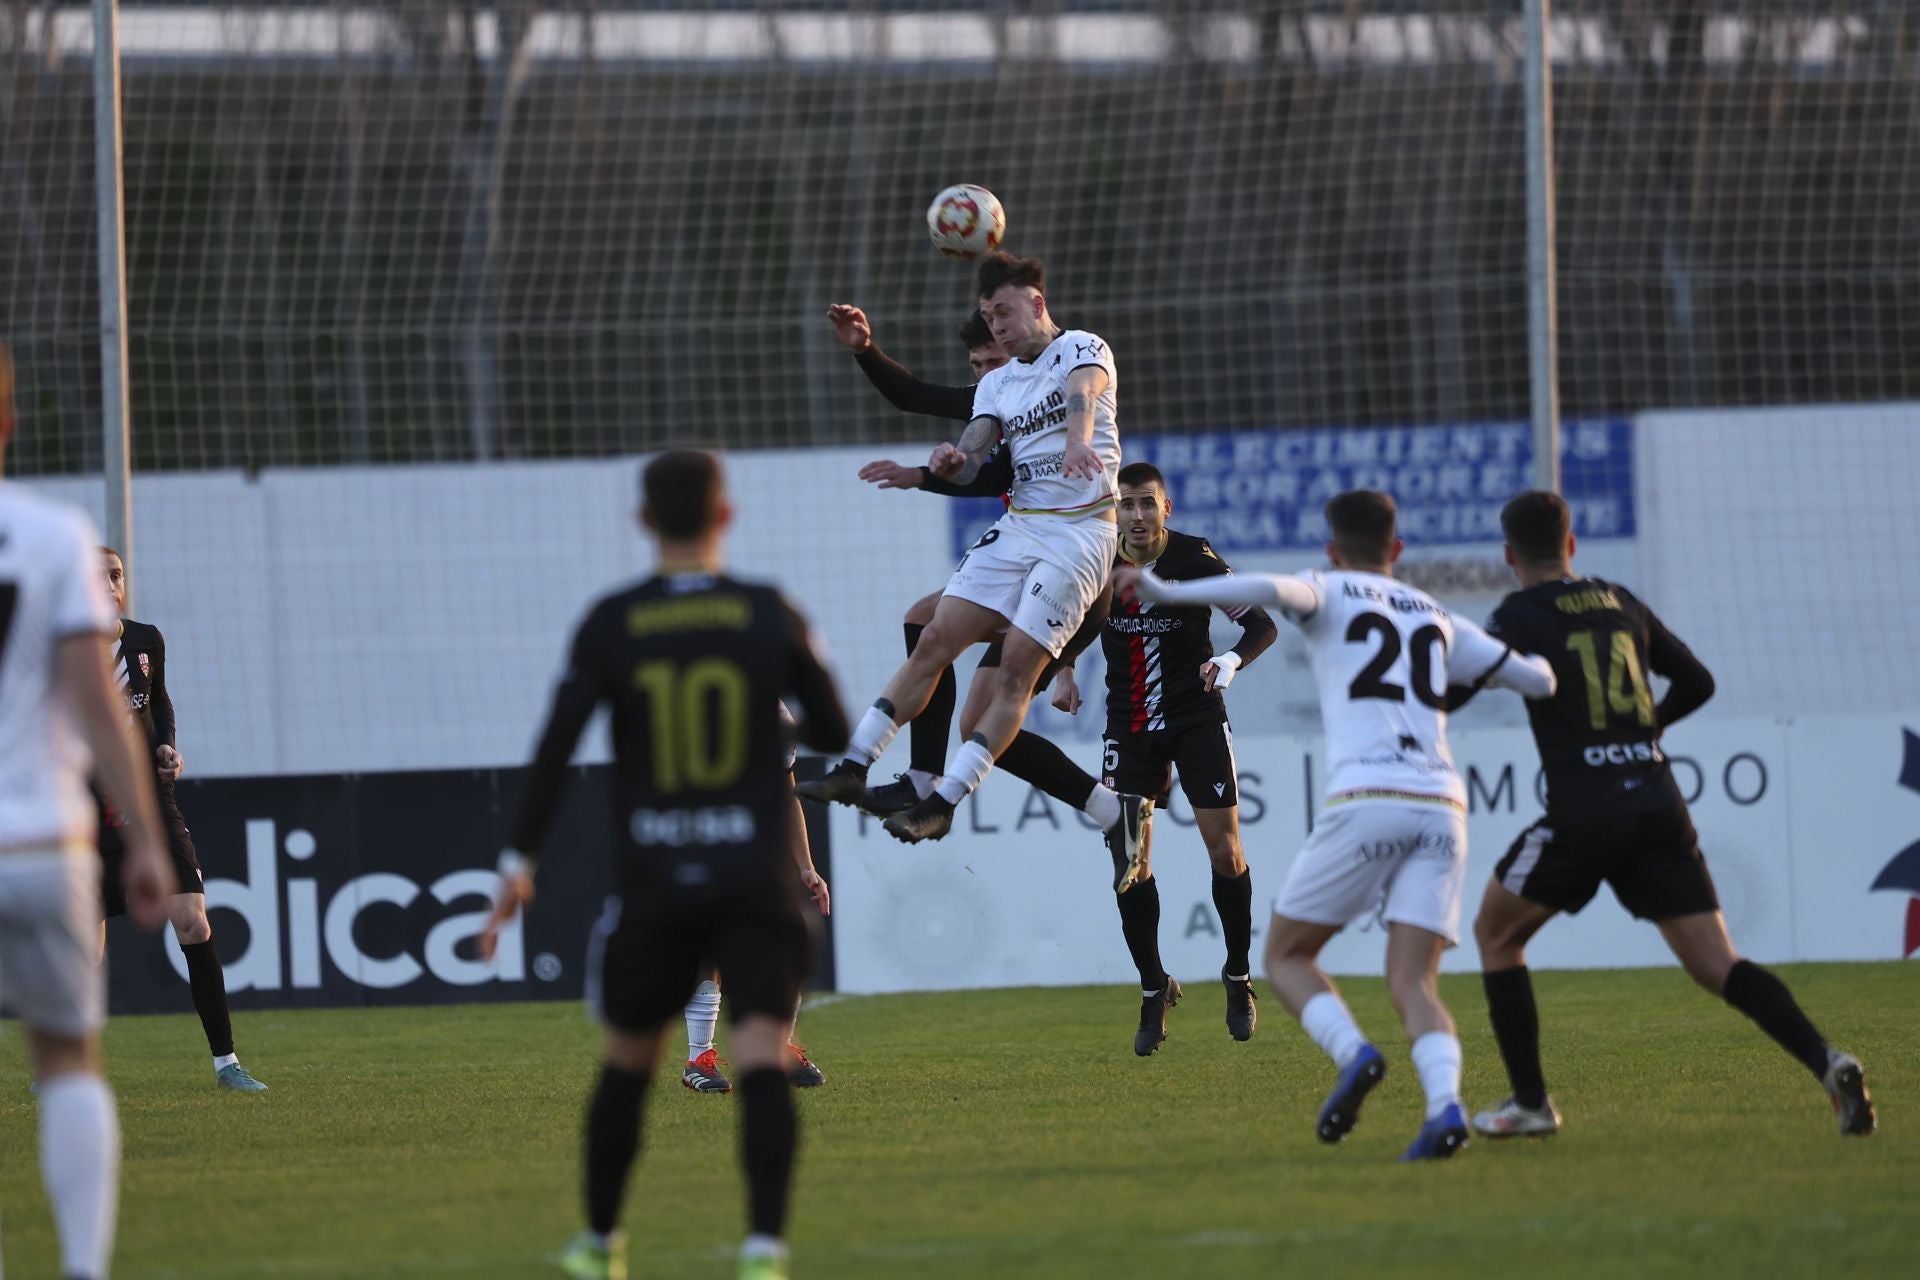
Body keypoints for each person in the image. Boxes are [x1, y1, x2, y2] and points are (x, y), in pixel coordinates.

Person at [478, 449, 849, 1280]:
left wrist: (517, 864)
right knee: (760, 1055)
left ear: (643, 521)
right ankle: (763, 1250)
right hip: (754, 880)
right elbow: (829, 726)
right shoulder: (769, 614)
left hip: (655, 881)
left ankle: (601, 1244)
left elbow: (553, 750)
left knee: (626, 1064)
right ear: (726, 517)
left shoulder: (612, 621)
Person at [1115, 490, 1557, 1161]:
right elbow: (1539, 682)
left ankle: (1354, 1056)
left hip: (1370, 797)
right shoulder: (1436, 615)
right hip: (1444, 808)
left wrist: (1161, 590)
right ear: (1398, 550)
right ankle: (1444, 1108)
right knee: (1414, 981)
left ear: (1331, 551)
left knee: (1288, 956)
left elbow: (1263, 590)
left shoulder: (1325, 591)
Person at [1466, 490, 1875, 1139]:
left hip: (1584, 812)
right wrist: (1646, 727)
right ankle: (1826, 1060)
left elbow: (1460, 687)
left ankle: (1532, 1104)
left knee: (1495, 933)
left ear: (1510, 554)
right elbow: (1700, 681)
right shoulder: (1620, 601)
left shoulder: (1519, 613)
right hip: (1658, 804)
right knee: (1719, 965)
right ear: (1572, 545)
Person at [801, 254, 1149, 870]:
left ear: (1037, 304)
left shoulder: (1082, 349)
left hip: (1078, 537)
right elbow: (980, 435)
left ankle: (939, 796)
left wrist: (1075, 441)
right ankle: (856, 765)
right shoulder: (997, 381)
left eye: (1005, 312)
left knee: (1010, 676)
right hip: (1020, 530)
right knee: (930, 634)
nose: (998, 327)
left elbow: (1083, 394)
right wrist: (954, 458)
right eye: (989, 317)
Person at [0, 341, 178, 1280]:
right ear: (11, 419)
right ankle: (81, 1269)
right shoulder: (52, 532)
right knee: (67, 1058)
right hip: (43, 842)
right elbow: (95, 698)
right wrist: (146, 835)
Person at [1084, 462, 1276, 1055]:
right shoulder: (1095, 560)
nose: (1136, 515)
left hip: (1196, 719)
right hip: (1129, 726)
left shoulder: (1194, 559)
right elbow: (1067, 625)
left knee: (1225, 850)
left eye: (1147, 503)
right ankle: (1152, 987)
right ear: (1113, 511)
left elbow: (1261, 625)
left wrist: (1232, 661)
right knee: (1129, 864)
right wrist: (1063, 671)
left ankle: (1238, 977)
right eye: (1126, 505)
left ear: (1166, 509)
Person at [95, 547, 266, 1091]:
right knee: (84, 945)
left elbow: (159, 702)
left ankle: (227, 1064)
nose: (109, 584)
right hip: (87, 809)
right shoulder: (65, 652)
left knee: (193, 917)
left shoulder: (145, 639)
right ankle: (69, 1068)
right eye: (95, 576)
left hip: (150, 801)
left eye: (116, 574)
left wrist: (168, 746)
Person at [682, 713, 832, 1094]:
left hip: (757, 844)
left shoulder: (777, 716)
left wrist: (806, 867)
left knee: (788, 935)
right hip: (699, 836)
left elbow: (786, 795)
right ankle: (698, 1058)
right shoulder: (693, 703)